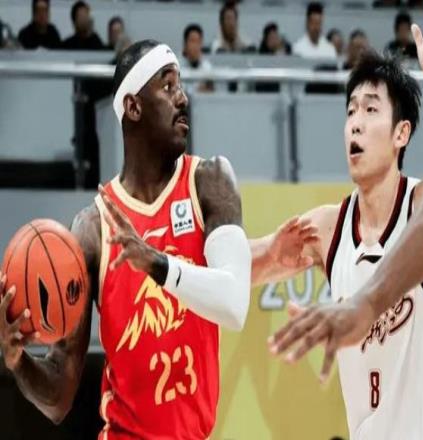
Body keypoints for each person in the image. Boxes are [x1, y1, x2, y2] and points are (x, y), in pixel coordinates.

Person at [255, 1, 423, 438]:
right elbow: (249, 264)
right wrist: (173, 259)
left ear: (402, 133)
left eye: (370, 110)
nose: (355, 124)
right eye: (350, 111)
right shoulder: (330, 228)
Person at [0, 40, 254, 439]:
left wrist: (156, 263)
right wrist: (18, 361)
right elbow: (59, 394)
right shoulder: (93, 228)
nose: (183, 98)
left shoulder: (209, 182)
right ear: (133, 107)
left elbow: (235, 305)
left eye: (181, 85)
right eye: (167, 86)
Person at [181, 24, 213, 93]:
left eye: (198, 41)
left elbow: (212, 92)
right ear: (185, 44)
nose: (195, 46)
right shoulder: (177, 67)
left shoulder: (207, 67)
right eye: (192, 41)